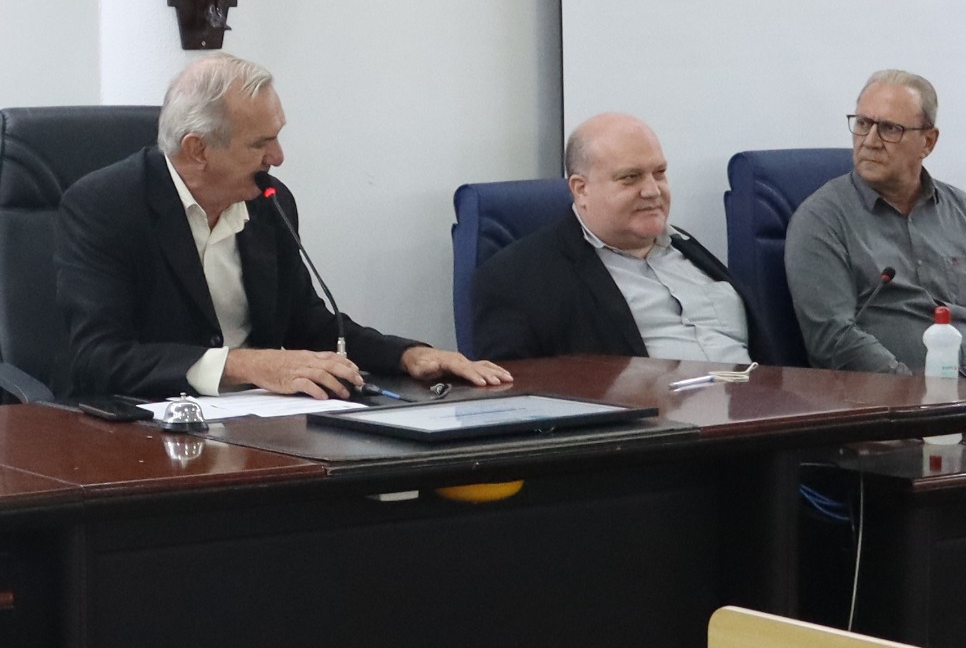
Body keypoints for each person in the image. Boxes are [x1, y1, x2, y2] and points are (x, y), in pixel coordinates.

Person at [57, 52, 510, 401]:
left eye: (277, 136)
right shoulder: (105, 206)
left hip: (260, 423)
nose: (278, 157)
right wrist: (245, 365)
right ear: (198, 150)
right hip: (145, 432)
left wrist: (407, 355)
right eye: (261, 143)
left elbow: (307, 324)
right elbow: (99, 359)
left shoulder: (269, 203)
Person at [470, 113, 752, 366]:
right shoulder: (516, 278)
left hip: (759, 399)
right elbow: (514, 390)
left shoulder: (685, 246)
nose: (653, 191)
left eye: (659, 173)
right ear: (581, 189)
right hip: (654, 407)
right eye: (631, 177)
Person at [783, 69, 966, 376]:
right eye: (863, 124)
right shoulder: (821, 219)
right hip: (885, 400)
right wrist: (914, 392)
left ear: (928, 142)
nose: (870, 141)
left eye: (890, 129)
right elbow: (832, 339)